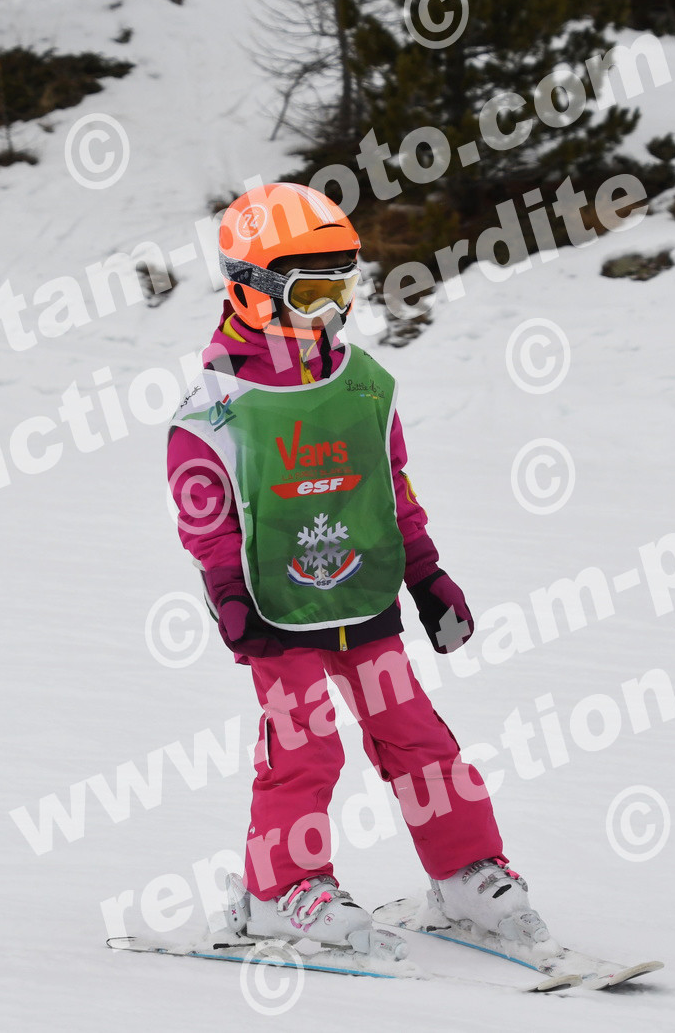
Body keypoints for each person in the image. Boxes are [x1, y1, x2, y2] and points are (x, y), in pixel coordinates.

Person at [165, 183, 555, 957]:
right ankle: (279, 891)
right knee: (305, 741)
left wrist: (427, 575)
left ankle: (464, 871)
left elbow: (390, 487)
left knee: (416, 733)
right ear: (249, 292)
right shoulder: (215, 407)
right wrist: (228, 592)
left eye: (340, 291)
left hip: (361, 589)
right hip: (273, 605)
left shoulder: (364, 384)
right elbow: (205, 516)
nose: (330, 314)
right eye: (309, 294)